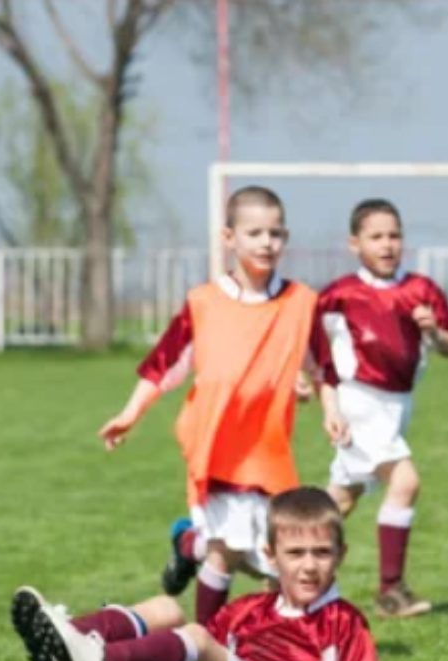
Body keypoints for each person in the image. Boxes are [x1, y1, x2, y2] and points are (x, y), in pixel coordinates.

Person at [103, 186, 347, 623]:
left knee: (276, 563)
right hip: (214, 447)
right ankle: (208, 645)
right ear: (229, 238)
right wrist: (129, 413)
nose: (265, 243)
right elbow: (163, 365)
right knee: (224, 553)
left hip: (269, 452)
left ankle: (193, 552)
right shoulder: (204, 303)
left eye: (275, 233)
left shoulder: (301, 303)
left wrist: (332, 410)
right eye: (254, 232)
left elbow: (323, 367)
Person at [10, 487, 390, 661]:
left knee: (197, 636)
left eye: (321, 553)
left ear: (341, 555)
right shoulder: (249, 609)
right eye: (296, 553)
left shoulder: (345, 621)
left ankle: (99, 659)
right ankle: (66, 636)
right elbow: (189, 653)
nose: (309, 566)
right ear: (271, 556)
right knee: (168, 609)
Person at [317, 198, 448, 617]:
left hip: (398, 406)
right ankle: (390, 589)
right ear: (354, 243)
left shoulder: (420, 290)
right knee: (405, 482)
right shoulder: (341, 294)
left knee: (341, 500)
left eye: (394, 235)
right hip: (359, 401)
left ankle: (279, 558)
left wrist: (433, 332)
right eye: (376, 236)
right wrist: (321, 395)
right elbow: (311, 346)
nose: (387, 244)